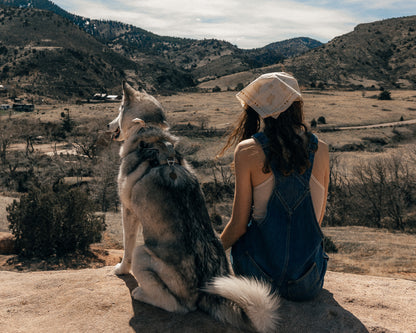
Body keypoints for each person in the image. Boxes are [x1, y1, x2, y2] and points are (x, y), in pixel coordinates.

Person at [219, 72, 330, 301]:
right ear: (296, 104)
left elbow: (238, 226)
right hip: (307, 282)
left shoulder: (247, 150)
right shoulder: (322, 150)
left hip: (257, 280)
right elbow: (315, 221)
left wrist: (212, 252)